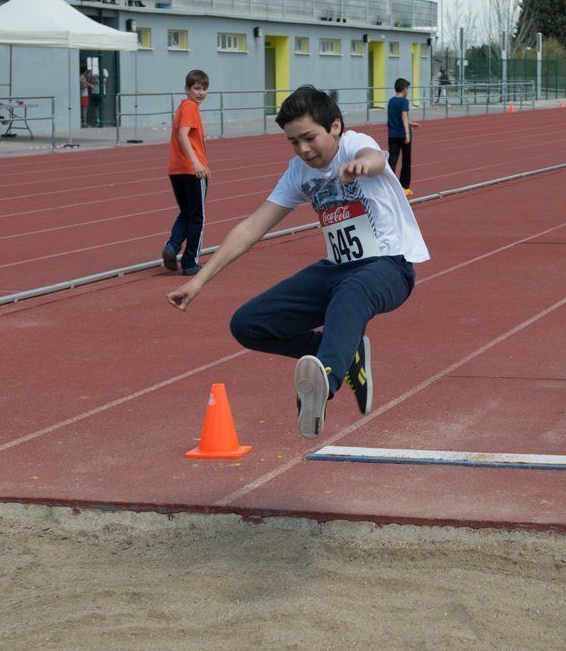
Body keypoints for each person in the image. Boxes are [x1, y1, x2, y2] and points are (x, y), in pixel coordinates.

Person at [167, 86, 429, 439]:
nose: (303, 150)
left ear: (334, 127)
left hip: (389, 267)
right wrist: (198, 281)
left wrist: (362, 164)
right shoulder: (298, 173)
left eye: (309, 138)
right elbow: (250, 229)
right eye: (293, 142)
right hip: (337, 270)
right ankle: (344, 350)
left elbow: (376, 157)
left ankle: (327, 378)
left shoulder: (352, 144)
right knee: (248, 324)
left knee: (352, 291)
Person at [161, 69, 210, 277]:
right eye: (197, 88)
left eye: (204, 88)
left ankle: (172, 246)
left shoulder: (183, 107)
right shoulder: (190, 108)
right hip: (192, 171)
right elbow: (183, 136)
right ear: (187, 89)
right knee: (197, 217)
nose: (201, 92)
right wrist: (197, 163)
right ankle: (190, 261)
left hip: (176, 170)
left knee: (186, 213)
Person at [386, 78, 419, 196]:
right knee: (406, 161)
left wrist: (411, 123)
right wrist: (407, 133)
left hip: (392, 135)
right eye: (408, 88)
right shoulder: (404, 101)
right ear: (405, 89)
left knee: (392, 162)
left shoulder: (390, 101)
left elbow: (397, 117)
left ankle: (389, 187)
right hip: (402, 135)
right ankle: (404, 186)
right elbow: (403, 116)